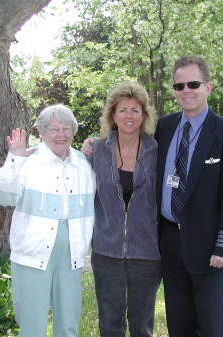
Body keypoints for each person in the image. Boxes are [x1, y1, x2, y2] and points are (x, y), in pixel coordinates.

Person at [155, 55, 223, 337]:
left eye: (193, 84)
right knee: (179, 324)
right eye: (179, 85)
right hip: (170, 243)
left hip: (210, 247)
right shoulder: (165, 127)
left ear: (208, 87)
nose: (186, 91)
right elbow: (128, 140)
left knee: (211, 325)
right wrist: (94, 144)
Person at [0, 104, 96, 337]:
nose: (61, 134)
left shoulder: (83, 164)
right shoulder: (27, 160)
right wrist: (14, 159)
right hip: (32, 250)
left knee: (68, 321)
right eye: (54, 129)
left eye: (67, 128)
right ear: (43, 133)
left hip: (72, 249)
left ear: (73, 132)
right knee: (31, 322)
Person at [86, 82, 161, 337]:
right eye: (123, 110)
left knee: (142, 326)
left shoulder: (156, 151)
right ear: (113, 115)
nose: (129, 116)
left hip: (147, 252)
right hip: (106, 250)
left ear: (144, 115)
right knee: (110, 325)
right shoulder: (96, 151)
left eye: (135, 110)